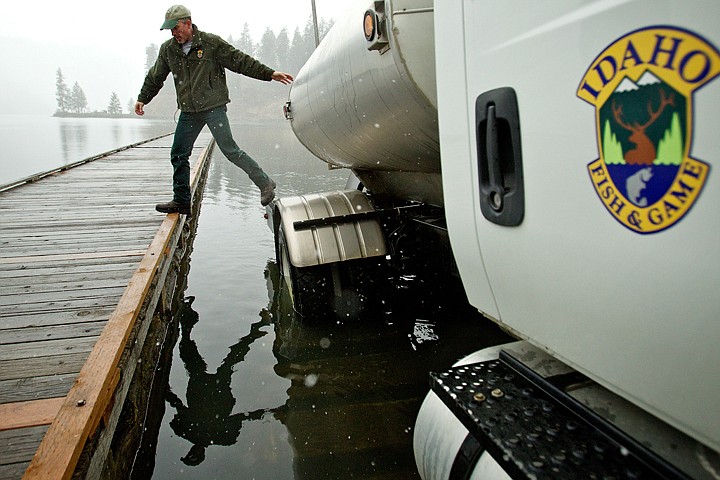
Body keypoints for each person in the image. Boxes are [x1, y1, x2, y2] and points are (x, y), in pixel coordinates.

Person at [135, 5, 294, 214]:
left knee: (230, 151)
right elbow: (156, 76)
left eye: (176, 28)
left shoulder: (210, 44)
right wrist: (143, 98)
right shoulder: (168, 50)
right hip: (189, 112)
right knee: (178, 154)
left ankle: (265, 183)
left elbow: (240, 61)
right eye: (170, 30)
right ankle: (182, 200)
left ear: (188, 23)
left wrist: (269, 73)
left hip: (213, 108)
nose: (174, 33)